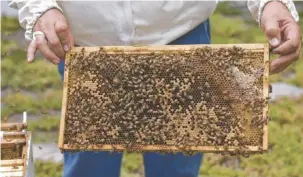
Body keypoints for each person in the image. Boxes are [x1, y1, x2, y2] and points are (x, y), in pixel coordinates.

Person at [9, 1, 301, 177]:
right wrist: (39, 7)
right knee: (89, 167)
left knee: (176, 167)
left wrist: (270, 1)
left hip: (181, 33)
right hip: (85, 44)